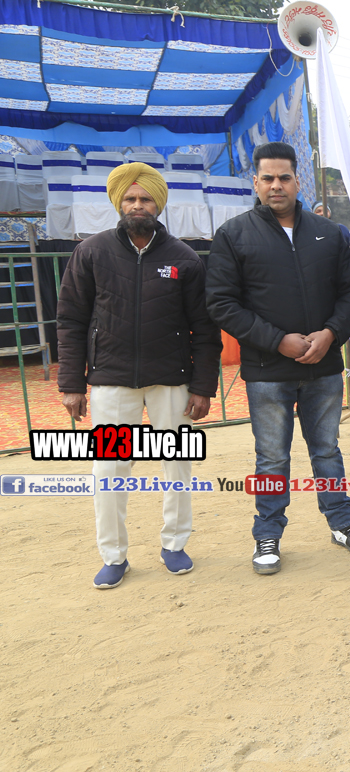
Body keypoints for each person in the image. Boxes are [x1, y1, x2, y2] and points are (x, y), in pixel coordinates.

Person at [206, 142, 350, 575]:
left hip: (323, 367)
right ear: (256, 182)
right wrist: (277, 341)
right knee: (272, 458)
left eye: (284, 177)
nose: (276, 185)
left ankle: (343, 523)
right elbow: (222, 303)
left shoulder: (330, 233)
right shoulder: (234, 235)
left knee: (327, 450)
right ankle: (268, 534)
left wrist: (331, 334)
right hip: (267, 371)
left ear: (298, 181)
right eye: (268, 178)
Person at [56, 163, 221, 589]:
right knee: (109, 469)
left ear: (158, 204)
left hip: (171, 380)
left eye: (145, 199)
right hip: (110, 380)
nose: (137, 205)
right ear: (119, 203)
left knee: (177, 464)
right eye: (130, 199)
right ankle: (114, 556)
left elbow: (204, 329)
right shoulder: (91, 252)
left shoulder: (183, 258)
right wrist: (72, 383)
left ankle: (175, 545)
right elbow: (71, 321)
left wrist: (203, 387)